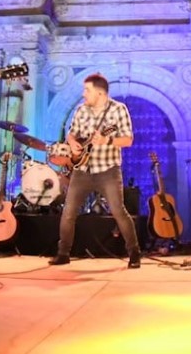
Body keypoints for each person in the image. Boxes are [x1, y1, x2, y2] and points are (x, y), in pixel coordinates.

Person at [49, 73, 141, 269]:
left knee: (118, 211)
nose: (84, 94)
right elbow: (72, 134)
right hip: (82, 170)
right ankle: (63, 253)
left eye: (87, 90)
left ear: (100, 93)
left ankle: (134, 252)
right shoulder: (81, 110)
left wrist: (107, 140)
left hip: (108, 170)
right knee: (68, 213)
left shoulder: (118, 110)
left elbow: (128, 139)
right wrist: (73, 144)